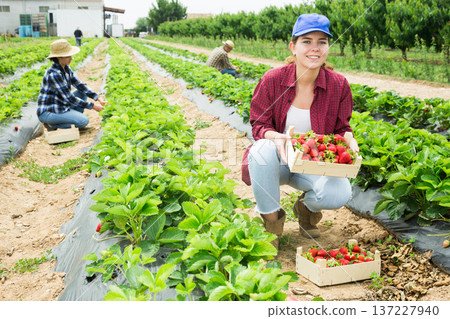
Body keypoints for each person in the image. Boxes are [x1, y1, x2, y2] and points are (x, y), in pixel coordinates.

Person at [241, 13, 359, 249]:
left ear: (328, 47)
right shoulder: (272, 80)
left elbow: (342, 128)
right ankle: (272, 226)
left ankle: (305, 209)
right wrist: (277, 138)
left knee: (340, 193)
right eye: (307, 41)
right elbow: (259, 125)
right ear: (293, 47)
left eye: (321, 42)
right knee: (261, 149)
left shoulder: (338, 85)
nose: (314, 48)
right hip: (279, 162)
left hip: (311, 164)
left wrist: (349, 139)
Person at [37, 39, 105, 131]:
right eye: (68, 56)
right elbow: (70, 98)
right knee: (83, 121)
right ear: (59, 57)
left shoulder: (66, 68)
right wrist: (93, 106)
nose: (71, 58)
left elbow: (80, 85)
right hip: (49, 112)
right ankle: (53, 125)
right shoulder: (54, 74)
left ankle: (74, 120)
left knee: (82, 92)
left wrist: (97, 98)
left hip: (61, 105)